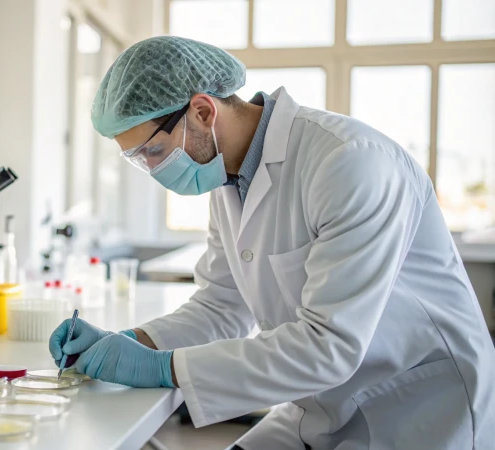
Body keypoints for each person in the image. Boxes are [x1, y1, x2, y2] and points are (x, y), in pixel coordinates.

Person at [49, 36, 495, 450]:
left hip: (419, 410)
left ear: (203, 111)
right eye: (138, 160)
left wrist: (161, 368)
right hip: (321, 406)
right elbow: (221, 307)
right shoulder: (226, 181)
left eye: (153, 152)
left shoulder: (351, 162)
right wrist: (133, 342)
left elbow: (328, 346)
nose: (153, 169)